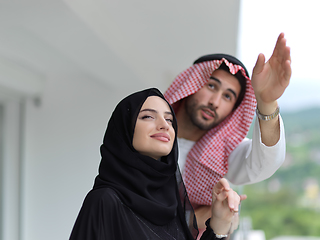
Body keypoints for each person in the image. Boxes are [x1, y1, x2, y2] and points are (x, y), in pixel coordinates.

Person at [69, 88, 245, 240]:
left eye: (169, 120)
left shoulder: (170, 203)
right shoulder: (104, 201)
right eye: (147, 116)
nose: (164, 125)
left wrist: (219, 225)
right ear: (124, 129)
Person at [164, 33, 291, 229]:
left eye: (228, 97)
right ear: (192, 85)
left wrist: (267, 102)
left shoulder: (223, 152)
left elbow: (265, 162)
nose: (214, 102)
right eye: (211, 86)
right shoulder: (146, 131)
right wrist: (196, 219)